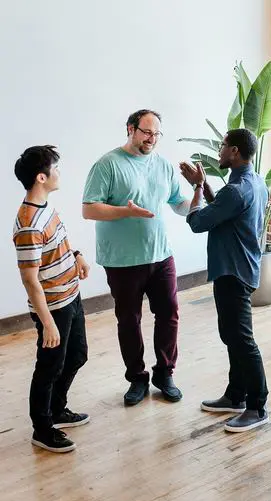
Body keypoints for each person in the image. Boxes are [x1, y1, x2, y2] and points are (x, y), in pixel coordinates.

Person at [82, 109, 190, 406]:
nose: (152, 139)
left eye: (156, 134)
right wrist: (125, 211)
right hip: (122, 259)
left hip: (161, 254)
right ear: (131, 129)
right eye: (146, 132)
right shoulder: (108, 164)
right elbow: (89, 209)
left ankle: (164, 374)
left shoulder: (163, 165)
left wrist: (198, 193)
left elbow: (179, 205)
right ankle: (137, 378)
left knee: (169, 313)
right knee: (129, 319)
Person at [182, 128, 271, 432]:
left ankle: (257, 406)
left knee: (241, 340)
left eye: (222, 147)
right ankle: (236, 396)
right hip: (241, 267)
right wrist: (205, 187)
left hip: (233, 271)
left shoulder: (236, 189)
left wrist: (195, 189)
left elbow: (197, 222)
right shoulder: (254, 182)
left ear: (233, 151)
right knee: (232, 336)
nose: (218, 152)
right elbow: (223, 209)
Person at [13, 146, 91, 452]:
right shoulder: (28, 224)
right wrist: (47, 323)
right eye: (55, 168)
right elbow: (30, 279)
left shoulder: (46, 207)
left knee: (77, 355)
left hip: (71, 295)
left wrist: (77, 256)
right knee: (49, 367)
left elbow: (59, 242)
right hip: (53, 308)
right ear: (41, 177)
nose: (60, 172)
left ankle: (58, 409)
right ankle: (42, 428)